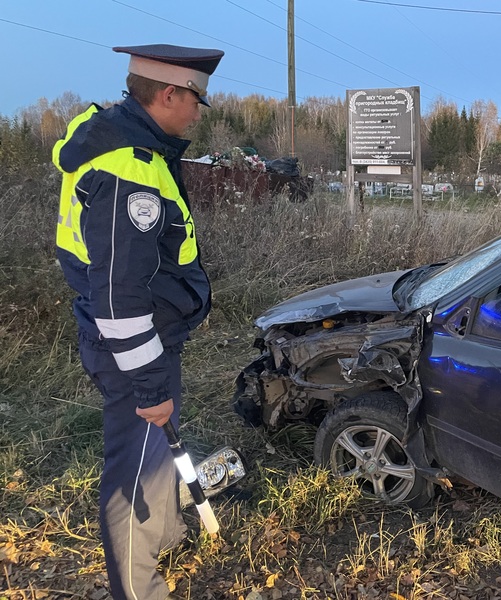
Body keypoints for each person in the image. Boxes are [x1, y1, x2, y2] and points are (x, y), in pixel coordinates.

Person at [52, 43, 224, 599]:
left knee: (156, 460)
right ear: (169, 94)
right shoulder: (130, 169)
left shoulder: (112, 132)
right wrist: (150, 383)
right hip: (131, 344)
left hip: (147, 338)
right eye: (197, 98)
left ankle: (166, 534)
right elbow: (119, 295)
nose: (199, 111)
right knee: (136, 474)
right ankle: (138, 588)